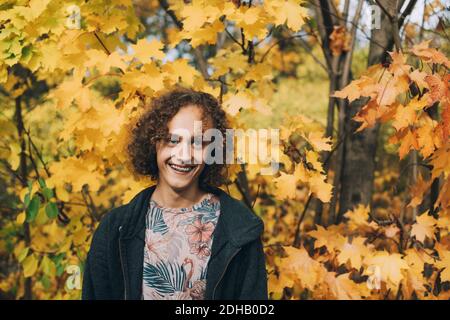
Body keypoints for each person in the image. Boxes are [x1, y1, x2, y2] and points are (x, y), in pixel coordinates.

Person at [81, 87, 268, 300]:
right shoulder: (115, 228)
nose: (184, 155)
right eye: (173, 140)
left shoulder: (240, 228)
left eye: (198, 142)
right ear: (154, 141)